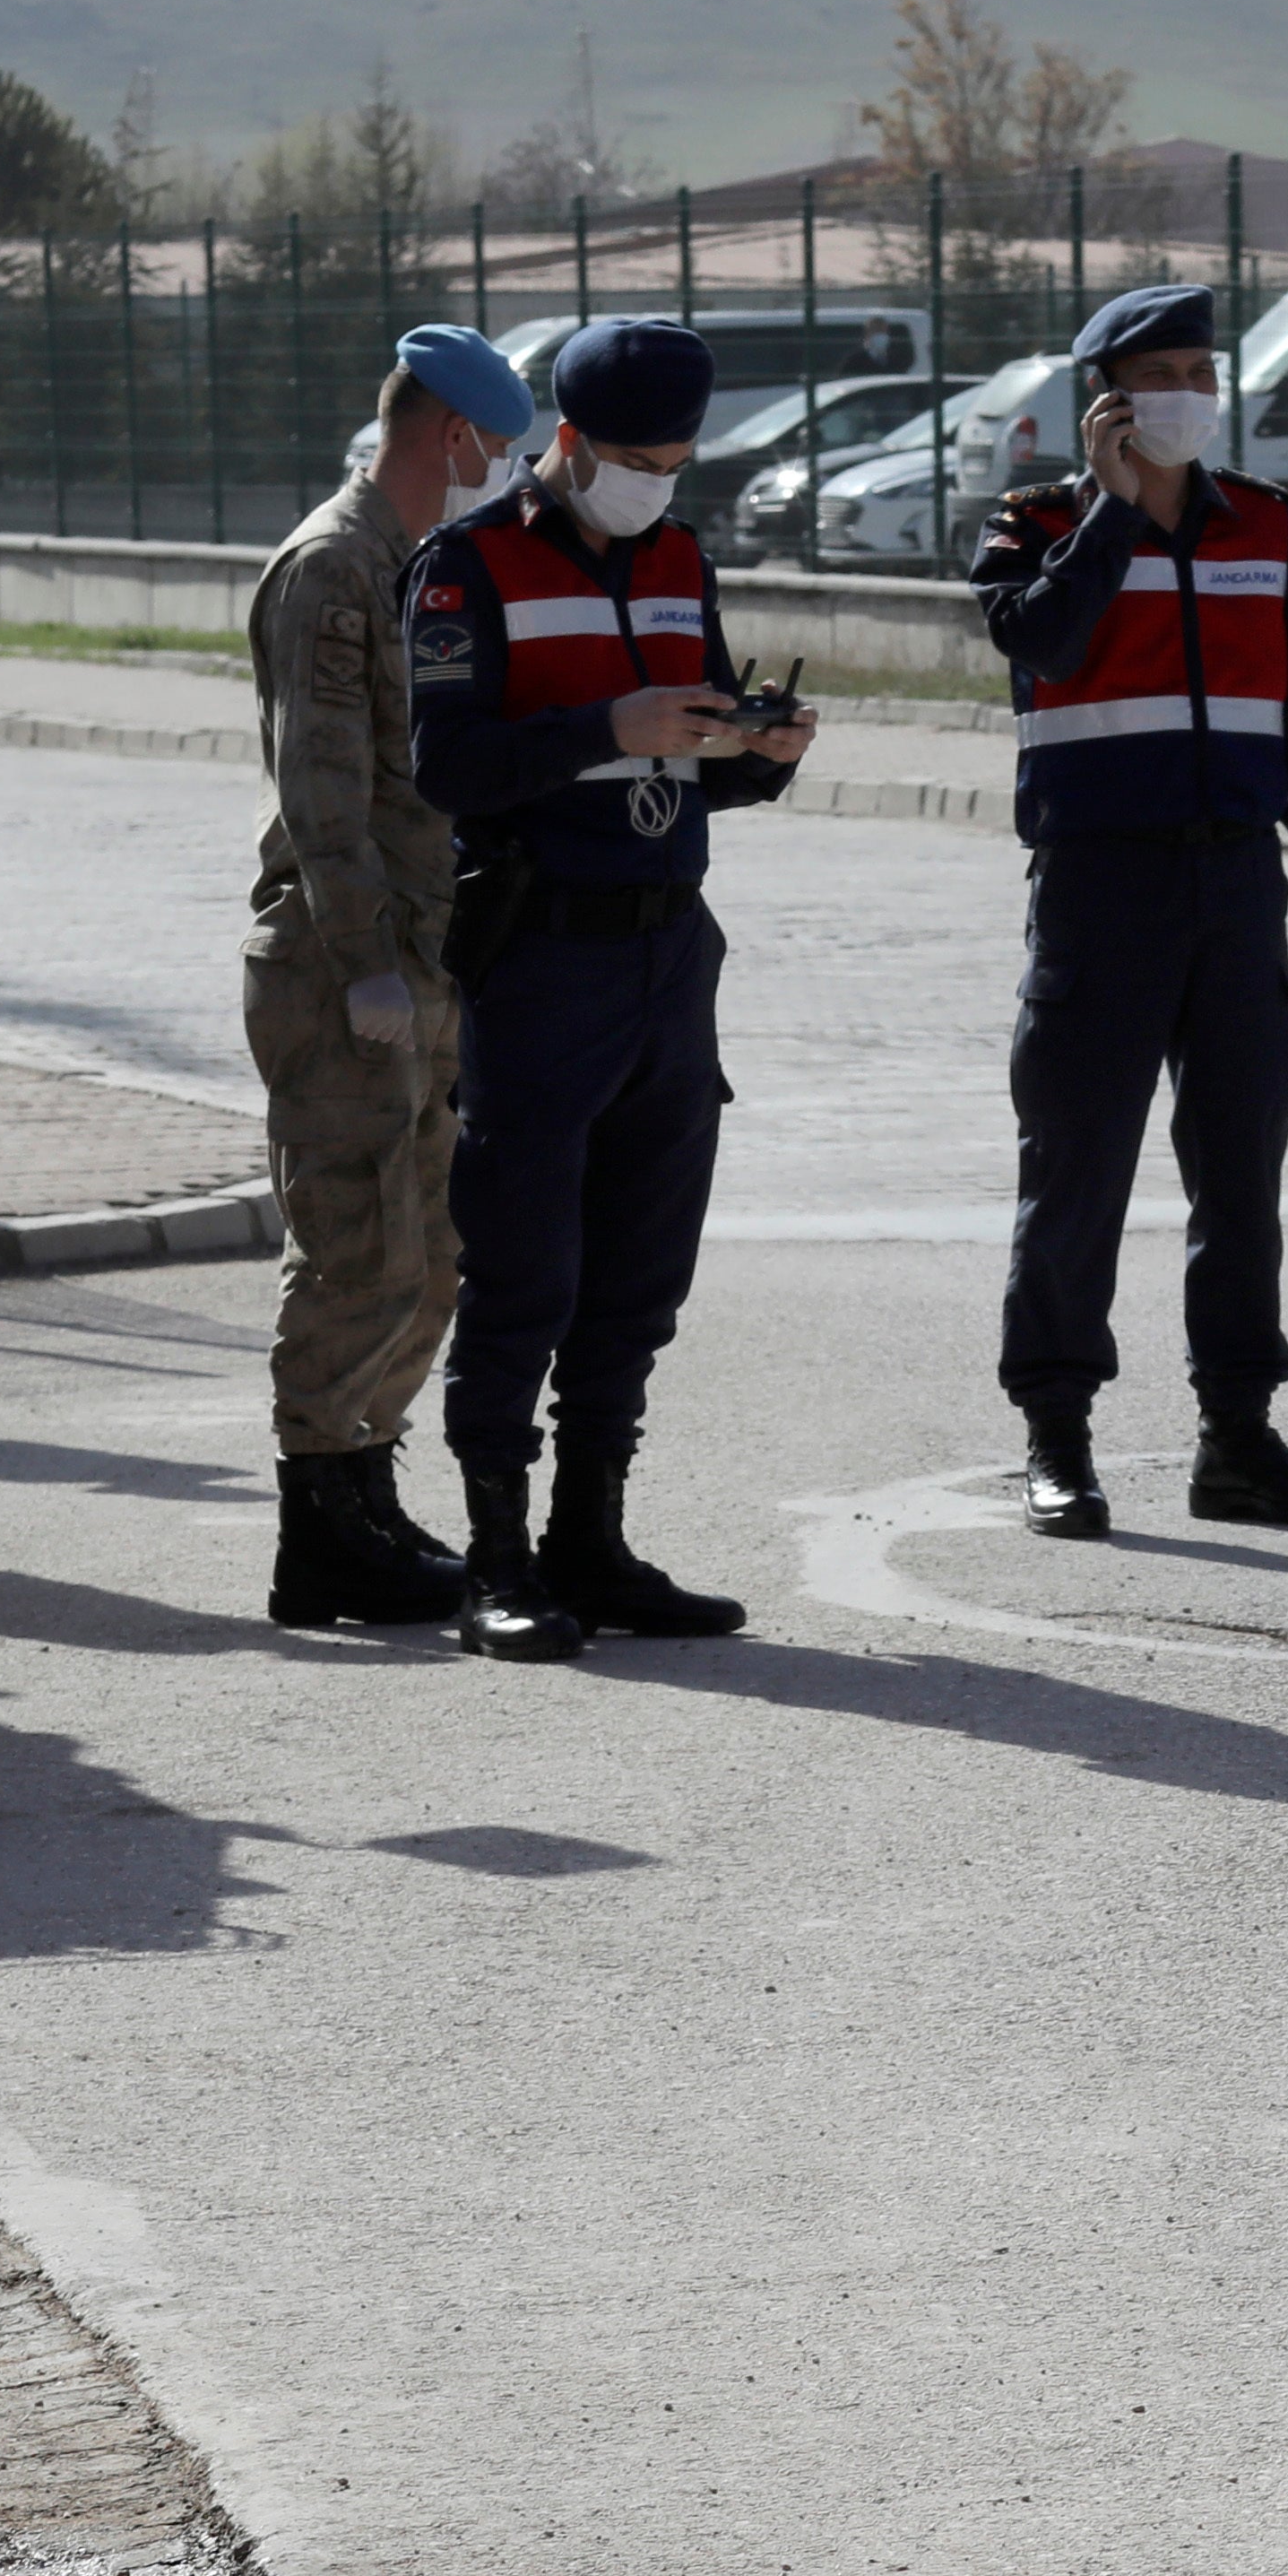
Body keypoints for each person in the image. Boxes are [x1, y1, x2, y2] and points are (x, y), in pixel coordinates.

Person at [399, 317, 817, 1661]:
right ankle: (497, 1562)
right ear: (566, 444)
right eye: (632, 457)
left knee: (637, 1275)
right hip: (538, 955)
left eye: (676, 458)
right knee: (524, 1267)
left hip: (666, 950)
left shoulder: (682, 555)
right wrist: (606, 730)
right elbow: (448, 766)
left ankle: (594, 1537)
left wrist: (761, 752)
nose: (657, 481)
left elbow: (692, 754)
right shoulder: (468, 568)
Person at [967, 282, 1288, 1539]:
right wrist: (1111, 517)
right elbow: (1042, 642)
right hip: (1100, 883)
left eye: (1204, 370)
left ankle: (1237, 1438)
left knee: (1241, 1165)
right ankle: (1056, 1435)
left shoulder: (1258, 519)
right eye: (1167, 377)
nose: (1195, 394)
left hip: (1236, 878)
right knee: (1077, 1164)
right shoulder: (1030, 523)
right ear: (1108, 404)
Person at [246, 323, 539, 1630]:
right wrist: (363, 958)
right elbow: (321, 785)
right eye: (497, 450)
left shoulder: (421, 564)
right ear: (448, 438)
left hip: (421, 954)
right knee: (355, 1242)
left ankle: (364, 1486)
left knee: (428, 1250)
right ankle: (320, 1530)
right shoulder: (334, 567)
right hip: (340, 966)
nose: (507, 473)